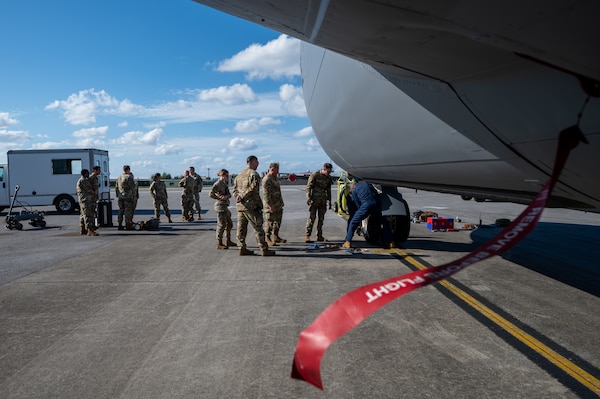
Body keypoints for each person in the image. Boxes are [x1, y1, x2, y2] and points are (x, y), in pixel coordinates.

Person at [232, 155, 275, 256]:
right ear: (251, 162)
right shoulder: (254, 174)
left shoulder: (239, 175)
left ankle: (241, 247)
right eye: (257, 162)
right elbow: (253, 189)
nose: (258, 164)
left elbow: (234, 190)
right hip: (250, 206)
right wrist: (258, 204)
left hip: (240, 206)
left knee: (241, 228)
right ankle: (264, 249)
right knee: (258, 227)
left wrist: (238, 197)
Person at [342, 180, 392, 249]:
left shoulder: (354, 191)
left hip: (365, 205)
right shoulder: (367, 184)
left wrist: (362, 213)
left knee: (353, 222)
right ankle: (390, 242)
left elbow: (357, 204)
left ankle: (347, 241)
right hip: (375, 204)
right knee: (384, 222)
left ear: (353, 187)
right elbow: (376, 193)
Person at [304, 162, 333, 243]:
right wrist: (308, 198)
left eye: (330, 172)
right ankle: (307, 236)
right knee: (311, 219)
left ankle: (319, 236)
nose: (328, 173)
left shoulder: (328, 178)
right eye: (328, 171)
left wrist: (329, 201)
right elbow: (308, 187)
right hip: (314, 200)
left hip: (323, 201)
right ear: (324, 169)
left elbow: (328, 190)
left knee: (321, 219)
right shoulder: (315, 175)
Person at [209, 169, 236, 249]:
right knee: (221, 225)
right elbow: (211, 194)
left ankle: (228, 240)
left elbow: (229, 194)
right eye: (226, 175)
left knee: (229, 224)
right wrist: (219, 197)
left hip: (225, 206)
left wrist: (226, 196)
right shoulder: (217, 184)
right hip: (220, 206)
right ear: (222, 175)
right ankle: (219, 243)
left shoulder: (224, 184)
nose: (228, 177)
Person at [262, 162, 286, 246]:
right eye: (277, 170)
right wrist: (270, 205)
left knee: (278, 221)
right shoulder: (267, 179)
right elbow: (266, 194)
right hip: (270, 205)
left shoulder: (275, 178)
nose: (278, 171)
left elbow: (278, 191)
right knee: (269, 222)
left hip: (277, 204)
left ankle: (276, 236)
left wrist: (281, 200)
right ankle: (267, 238)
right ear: (272, 169)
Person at [76, 169, 98, 236]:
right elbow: (89, 189)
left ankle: (83, 229)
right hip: (86, 200)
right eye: (88, 173)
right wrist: (95, 193)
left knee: (83, 215)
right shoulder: (84, 180)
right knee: (88, 214)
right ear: (85, 173)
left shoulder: (80, 180)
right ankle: (89, 230)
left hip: (82, 199)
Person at [115, 165, 136, 230]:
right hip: (127, 196)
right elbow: (133, 187)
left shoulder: (119, 177)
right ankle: (127, 224)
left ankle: (120, 224)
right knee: (128, 210)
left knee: (121, 210)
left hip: (120, 196)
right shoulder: (128, 177)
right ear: (128, 170)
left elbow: (116, 187)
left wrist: (117, 195)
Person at [88, 165, 101, 232]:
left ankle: (92, 225)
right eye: (98, 170)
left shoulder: (95, 177)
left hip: (94, 197)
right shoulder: (91, 177)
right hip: (91, 197)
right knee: (91, 212)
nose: (100, 171)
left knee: (93, 212)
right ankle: (90, 226)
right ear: (95, 170)